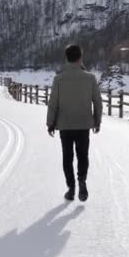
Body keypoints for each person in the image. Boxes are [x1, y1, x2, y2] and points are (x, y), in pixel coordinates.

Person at [46, 45, 103, 202]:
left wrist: (50, 123)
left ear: (67, 58)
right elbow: (97, 102)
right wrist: (97, 121)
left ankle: (71, 188)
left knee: (67, 156)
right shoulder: (90, 78)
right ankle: (82, 180)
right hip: (84, 124)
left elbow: (53, 104)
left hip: (65, 124)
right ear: (80, 58)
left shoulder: (58, 79)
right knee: (83, 154)